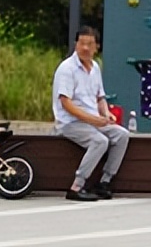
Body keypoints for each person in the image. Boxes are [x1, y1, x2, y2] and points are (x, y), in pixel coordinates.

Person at [52, 27, 129, 202]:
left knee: (122, 135)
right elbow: (66, 104)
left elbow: (100, 97)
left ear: (97, 47)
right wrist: (94, 120)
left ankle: (105, 182)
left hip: (93, 122)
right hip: (70, 123)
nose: (85, 48)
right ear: (75, 45)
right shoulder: (67, 69)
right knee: (99, 141)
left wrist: (106, 114)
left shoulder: (95, 67)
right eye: (81, 43)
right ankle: (76, 186)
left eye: (90, 44)